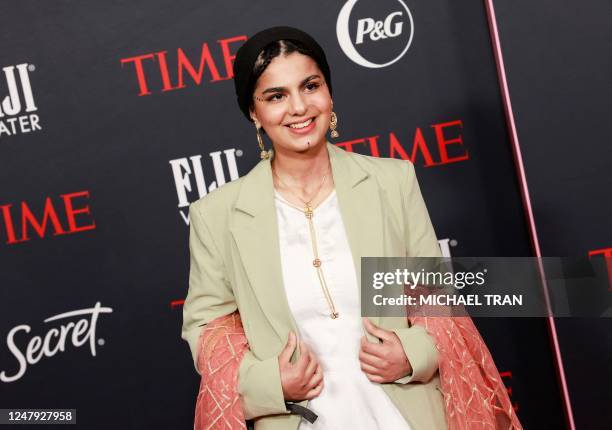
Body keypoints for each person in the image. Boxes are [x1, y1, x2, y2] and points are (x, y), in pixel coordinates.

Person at [182, 26, 521, 430]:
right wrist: (271, 383)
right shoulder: (217, 214)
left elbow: (437, 300)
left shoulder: (391, 182)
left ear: (329, 92)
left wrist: (412, 353)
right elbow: (209, 333)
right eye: (276, 96)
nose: (299, 107)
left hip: (405, 415)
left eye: (310, 86)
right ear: (254, 112)